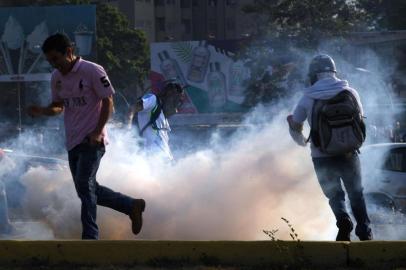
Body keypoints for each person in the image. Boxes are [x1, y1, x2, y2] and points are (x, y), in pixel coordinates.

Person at [28, 33, 145, 239]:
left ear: (69, 52)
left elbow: (108, 101)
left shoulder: (92, 70)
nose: (54, 65)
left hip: (92, 140)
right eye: (50, 61)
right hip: (72, 142)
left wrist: (98, 131)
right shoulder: (56, 78)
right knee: (88, 189)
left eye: (56, 59)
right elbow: (58, 107)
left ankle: (90, 237)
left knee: (84, 186)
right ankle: (131, 205)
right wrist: (43, 111)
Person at [287, 54, 373, 241]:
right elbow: (360, 119)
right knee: (356, 193)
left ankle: (343, 221)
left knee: (335, 195)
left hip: (321, 155)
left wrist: (302, 141)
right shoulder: (350, 92)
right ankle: (365, 232)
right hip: (349, 153)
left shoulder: (307, 98)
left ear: (313, 75)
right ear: (333, 72)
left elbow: (296, 128)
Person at [127, 80, 184, 161]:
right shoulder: (153, 100)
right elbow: (132, 108)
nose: (176, 106)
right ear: (169, 94)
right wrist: (128, 128)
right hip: (153, 159)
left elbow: (164, 143)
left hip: (165, 159)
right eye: (176, 100)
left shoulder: (163, 117)